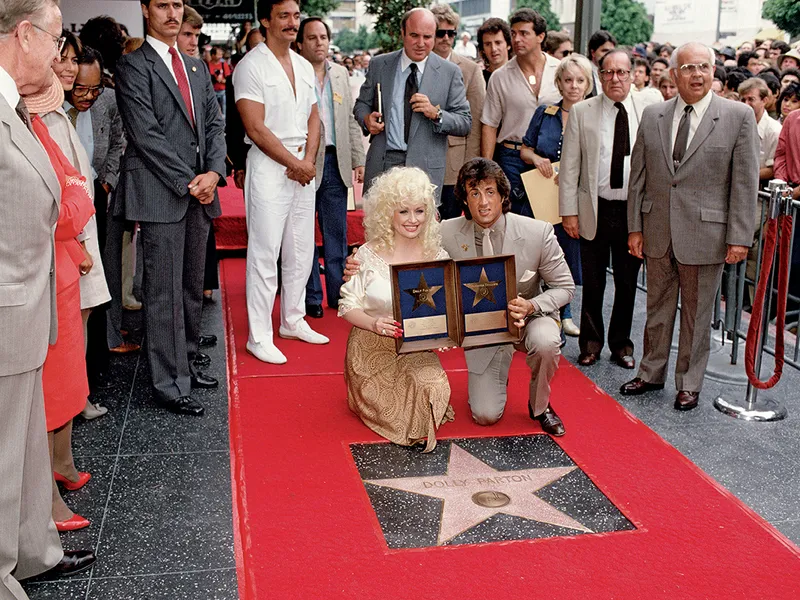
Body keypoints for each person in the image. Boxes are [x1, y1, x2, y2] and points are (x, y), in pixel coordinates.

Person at [345, 158, 575, 435]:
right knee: (485, 415)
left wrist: (531, 305)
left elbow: (565, 287)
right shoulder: (443, 233)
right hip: (481, 336)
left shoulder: (538, 232)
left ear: (503, 194)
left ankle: (541, 406)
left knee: (546, 341)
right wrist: (357, 264)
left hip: (529, 319)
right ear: (464, 200)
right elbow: (403, 244)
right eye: (474, 193)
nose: (483, 202)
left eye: (490, 192)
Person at [0, 1, 97, 591]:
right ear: (24, 33)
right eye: (56, 39)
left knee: (30, 451)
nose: (61, 55)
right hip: (7, 308)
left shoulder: (19, 104)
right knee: (5, 455)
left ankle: (35, 550)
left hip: (32, 303)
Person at [622, 42, 759, 411]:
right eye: (688, 68)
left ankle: (689, 382)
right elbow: (638, 177)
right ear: (674, 74)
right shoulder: (653, 115)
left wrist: (740, 237)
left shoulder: (737, 116)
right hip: (657, 230)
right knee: (657, 308)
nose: (697, 75)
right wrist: (635, 227)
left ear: (714, 72)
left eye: (703, 67)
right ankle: (651, 373)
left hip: (707, 234)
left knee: (698, 316)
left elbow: (744, 184)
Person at [115, 0, 226, 415]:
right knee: (162, 293)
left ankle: (188, 361)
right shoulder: (133, 65)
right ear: (146, 10)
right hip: (165, 192)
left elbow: (215, 124)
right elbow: (146, 135)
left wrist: (213, 173)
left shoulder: (195, 66)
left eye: (177, 4)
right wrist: (189, 181)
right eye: (162, 4)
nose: (172, 12)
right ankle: (168, 382)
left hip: (200, 192)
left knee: (190, 288)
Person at [234, 0, 328, 365]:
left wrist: (307, 161)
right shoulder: (250, 66)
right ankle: (259, 336)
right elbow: (255, 127)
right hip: (271, 167)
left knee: (302, 249)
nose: (292, 23)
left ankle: (293, 319)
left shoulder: (304, 65)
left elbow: (315, 116)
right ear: (266, 20)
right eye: (284, 16)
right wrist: (294, 163)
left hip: (302, 164)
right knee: (264, 252)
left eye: (296, 16)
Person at [25, 70, 97, 532]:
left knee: (68, 380)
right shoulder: (21, 129)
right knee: (44, 393)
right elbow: (61, 204)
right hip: (40, 276)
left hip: (61, 270)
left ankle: (63, 465)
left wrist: (73, 218)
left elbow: (74, 183)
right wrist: (75, 204)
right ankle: (46, 500)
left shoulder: (35, 127)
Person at [339, 167, 453, 452]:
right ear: (388, 213)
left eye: (419, 211)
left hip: (415, 347)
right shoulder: (366, 255)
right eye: (403, 211)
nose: (412, 220)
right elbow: (347, 306)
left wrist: (445, 334)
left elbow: (445, 311)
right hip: (371, 349)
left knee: (433, 388)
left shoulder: (439, 256)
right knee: (402, 409)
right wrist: (374, 323)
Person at [559, 49, 659, 370]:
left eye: (622, 72)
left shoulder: (649, 109)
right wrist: (569, 212)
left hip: (633, 212)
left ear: (633, 74)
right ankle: (590, 343)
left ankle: (621, 345)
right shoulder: (582, 112)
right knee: (593, 281)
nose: (615, 78)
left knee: (628, 283)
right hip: (594, 208)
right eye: (608, 73)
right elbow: (570, 165)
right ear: (599, 77)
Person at [353, 7, 471, 204]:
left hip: (425, 169)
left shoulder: (449, 72)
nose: (421, 43)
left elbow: (465, 122)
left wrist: (436, 114)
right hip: (384, 163)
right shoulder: (379, 65)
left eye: (427, 37)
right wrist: (366, 119)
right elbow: (361, 105)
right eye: (414, 35)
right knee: (381, 230)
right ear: (402, 34)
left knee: (420, 231)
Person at [295, 17, 365, 318]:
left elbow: (349, 119)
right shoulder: (294, 71)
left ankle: (337, 293)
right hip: (304, 163)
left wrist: (358, 157)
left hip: (336, 162)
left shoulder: (339, 73)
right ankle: (311, 295)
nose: (319, 43)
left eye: (323, 37)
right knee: (302, 235)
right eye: (312, 38)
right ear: (300, 43)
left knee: (335, 234)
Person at [520, 53, 594, 341]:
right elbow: (524, 149)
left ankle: (567, 313)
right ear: (559, 83)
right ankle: (541, 313)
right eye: (567, 80)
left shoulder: (593, 114)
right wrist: (537, 158)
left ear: (587, 84)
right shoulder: (545, 113)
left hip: (575, 198)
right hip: (542, 197)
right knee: (539, 252)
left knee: (569, 253)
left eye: (580, 80)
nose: (573, 86)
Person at [480, 8, 561, 217]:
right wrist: (487, 169)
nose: (517, 39)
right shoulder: (500, 77)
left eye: (524, 33)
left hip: (550, 157)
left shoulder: (561, 70)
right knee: (513, 221)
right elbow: (489, 124)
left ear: (540, 37)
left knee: (550, 222)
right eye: (514, 33)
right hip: (512, 156)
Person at [430, 4, 485, 219]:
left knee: (451, 227)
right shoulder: (415, 67)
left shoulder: (469, 69)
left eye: (451, 33)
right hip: (419, 163)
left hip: (454, 166)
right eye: (440, 33)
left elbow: (476, 122)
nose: (445, 38)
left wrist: (470, 170)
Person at [739, 77, 782, 185]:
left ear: (764, 101)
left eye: (751, 99)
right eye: (743, 100)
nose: (746, 104)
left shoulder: (774, 131)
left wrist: (742, 177)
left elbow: (773, 169)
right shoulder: (736, 124)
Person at [476, 17, 511, 86]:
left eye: (498, 43)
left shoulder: (520, 75)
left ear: (508, 45)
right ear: (483, 49)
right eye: (488, 44)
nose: (493, 49)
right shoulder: (478, 80)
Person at [587, 30, 616, 96]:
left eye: (611, 52)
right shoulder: (583, 72)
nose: (608, 55)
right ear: (593, 52)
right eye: (604, 51)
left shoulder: (615, 74)